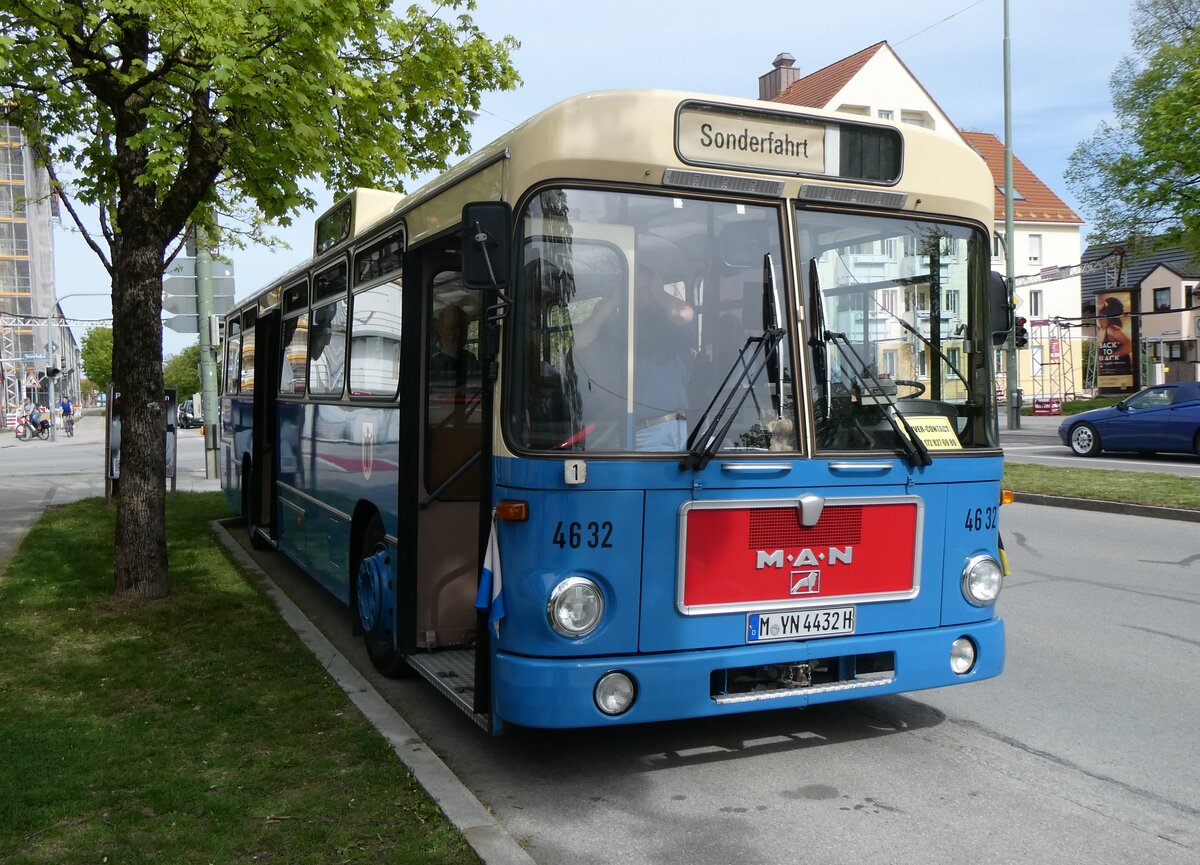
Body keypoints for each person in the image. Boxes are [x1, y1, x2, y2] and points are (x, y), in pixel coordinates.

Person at [575, 262, 695, 451]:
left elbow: (683, 314)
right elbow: (579, 341)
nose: (637, 295)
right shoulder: (617, 326)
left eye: (643, 289)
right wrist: (613, 302)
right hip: (622, 430)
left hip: (661, 429)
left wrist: (658, 293)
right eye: (632, 289)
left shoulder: (669, 324)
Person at [429, 303, 480, 387]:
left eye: (463, 328)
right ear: (440, 330)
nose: (459, 334)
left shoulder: (470, 358)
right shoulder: (427, 359)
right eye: (453, 328)